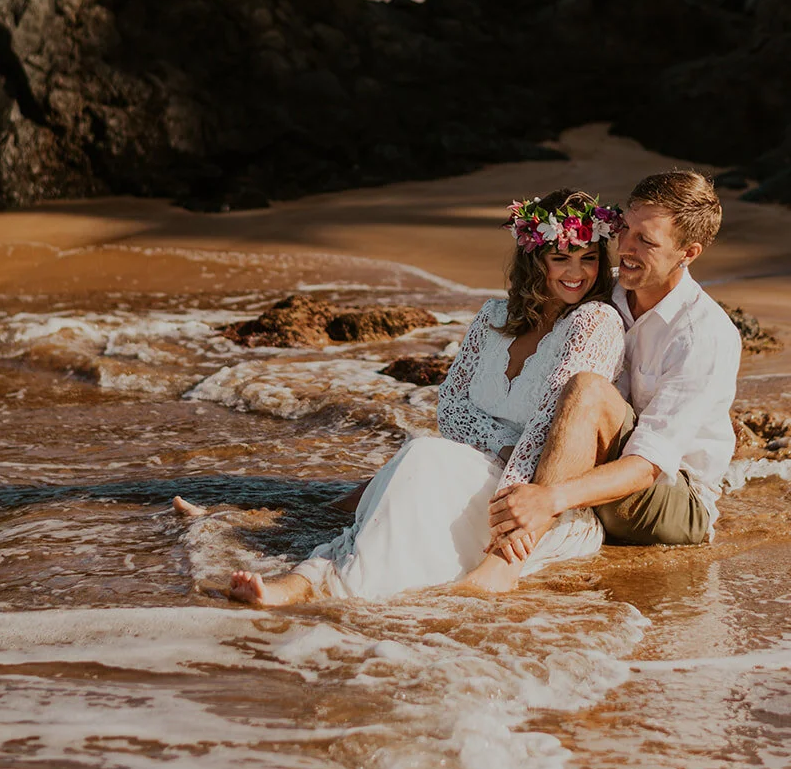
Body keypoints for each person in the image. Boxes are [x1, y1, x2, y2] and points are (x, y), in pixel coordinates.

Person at [217, 188, 627, 606]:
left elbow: (548, 426)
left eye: (588, 258)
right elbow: (450, 407)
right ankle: (316, 579)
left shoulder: (595, 321)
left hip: (534, 501)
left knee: (423, 467)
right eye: (561, 258)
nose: (577, 272)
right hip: (478, 465)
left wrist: (511, 500)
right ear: (534, 259)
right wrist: (501, 445)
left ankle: (317, 583)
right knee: (422, 456)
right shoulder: (492, 317)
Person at [483, 169, 741, 573]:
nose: (625, 248)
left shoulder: (704, 336)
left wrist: (548, 498)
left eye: (646, 241)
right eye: (626, 229)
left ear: (687, 253)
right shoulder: (607, 291)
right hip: (591, 465)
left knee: (588, 389)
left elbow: (647, 465)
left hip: (669, 497)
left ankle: (499, 570)